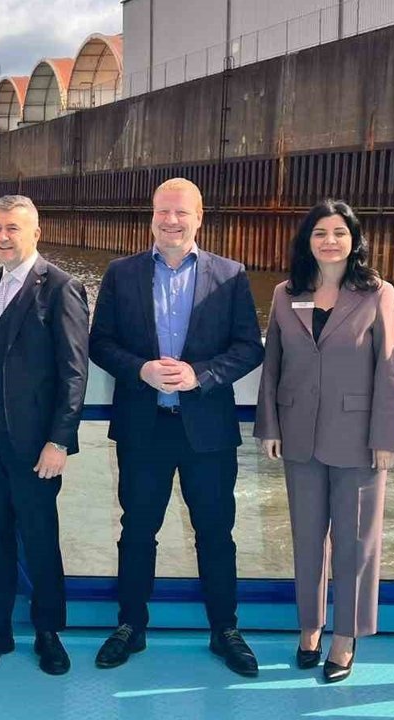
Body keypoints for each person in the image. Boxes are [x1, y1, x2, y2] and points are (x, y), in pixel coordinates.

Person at [88, 177, 264, 676]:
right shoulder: (121, 274)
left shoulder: (230, 275)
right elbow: (99, 343)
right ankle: (130, 626)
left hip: (207, 430)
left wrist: (200, 376)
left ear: (199, 218)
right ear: (151, 216)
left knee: (216, 533)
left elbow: (249, 347)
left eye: (181, 212)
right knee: (137, 530)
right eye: (162, 211)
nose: (171, 221)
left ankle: (225, 630)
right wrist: (139, 369)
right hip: (143, 427)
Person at [253, 199, 394, 683]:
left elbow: (389, 369)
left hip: (359, 439)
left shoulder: (377, 293)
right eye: (320, 233)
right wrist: (269, 426)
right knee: (306, 539)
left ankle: (345, 636)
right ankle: (309, 627)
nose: (330, 241)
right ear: (308, 241)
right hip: (298, 436)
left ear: (353, 240)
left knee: (356, 544)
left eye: (339, 232)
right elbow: (272, 365)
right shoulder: (285, 293)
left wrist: (386, 437)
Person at [0, 195, 89, 676]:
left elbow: (74, 373)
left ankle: (48, 633)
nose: (3, 237)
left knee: (41, 537)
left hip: (35, 446)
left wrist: (59, 441)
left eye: (13, 228)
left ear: (36, 233)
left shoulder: (63, 288)